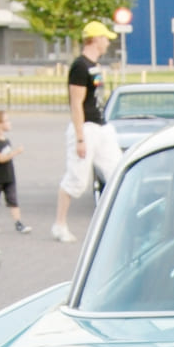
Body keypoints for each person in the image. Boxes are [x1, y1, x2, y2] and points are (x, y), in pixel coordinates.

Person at [51, 21, 121, 243]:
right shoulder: (80, 67)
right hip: (86, 128)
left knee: (117, 171)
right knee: (77, 180)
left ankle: (117, 222)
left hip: (101, 127)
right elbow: (76, 103)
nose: (108, 42)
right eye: (105, 38)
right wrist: (80, 138)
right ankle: (59, 224)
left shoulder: (95, 66)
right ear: (95, 39)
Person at [0, 109, 30, 234]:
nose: (9, 123)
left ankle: (18, 223)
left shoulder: (6, 141)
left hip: (9, 177)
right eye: (7, 121)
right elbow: (0, 158)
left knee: (13, 200)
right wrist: (15, 152)